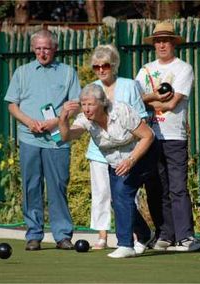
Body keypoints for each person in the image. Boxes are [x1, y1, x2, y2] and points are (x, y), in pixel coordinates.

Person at [4, 29, 81, 251]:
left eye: (46, 48)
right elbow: (12, 105)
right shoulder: (22, 72)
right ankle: (34, 235)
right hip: (29, 137)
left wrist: (56, 122)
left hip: (57, 138)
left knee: (58, 186)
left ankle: (62, 235)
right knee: (31, 186)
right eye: (38, 48)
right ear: (33, 49)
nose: (42, 52)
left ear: (54, 48)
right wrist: (29, 122)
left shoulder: (67, 73)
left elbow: (75, 105)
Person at [59, 83, 155, 258]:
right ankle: (144, 234)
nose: (86, 109)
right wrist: (63, 118)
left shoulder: (120, 111)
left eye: (91, 104)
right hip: (117, 163)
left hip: (142, 155)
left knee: (122, 192)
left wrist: (131, 159)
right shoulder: (85, 120)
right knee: (116, 200)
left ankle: (126, 245)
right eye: (84, 104)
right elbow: (66, 136)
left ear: (102, 103)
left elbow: (148, 135)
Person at [135, 21, 200, 252]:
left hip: (175, 135)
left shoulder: (184, 69)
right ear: (154, 44)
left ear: (174, 42)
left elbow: (173, 103)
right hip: (149, 137)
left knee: (177, 187)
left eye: (166, 40)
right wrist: (156, 98)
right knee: (155, 186)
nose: (162, 44)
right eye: (158, 40)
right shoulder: (145, 70)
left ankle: (185, 236)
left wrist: (150, 99)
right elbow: (136, 99)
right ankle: (165, 234)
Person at [86, 44, 151, 252]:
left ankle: (136, 235)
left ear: (113, 65)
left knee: (124, 196)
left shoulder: (129, 85)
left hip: (127, 150)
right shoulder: (91, 87)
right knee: (102, 193)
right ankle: (102, 236)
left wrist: (133, 152)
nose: (101, 70)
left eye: (104, 65)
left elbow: (141, 116)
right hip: (100, 148)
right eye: (96, 67)